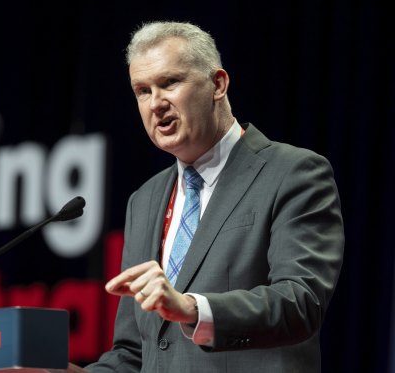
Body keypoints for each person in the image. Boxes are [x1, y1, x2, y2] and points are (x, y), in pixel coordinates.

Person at [85, 21, 344, 372]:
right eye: (142, 91)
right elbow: (135, 352)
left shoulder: (293, 172)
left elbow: (300, 303)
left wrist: (192, 308)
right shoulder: (143, 201)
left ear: (217, 84)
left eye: (170, 83)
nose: (156, 103)